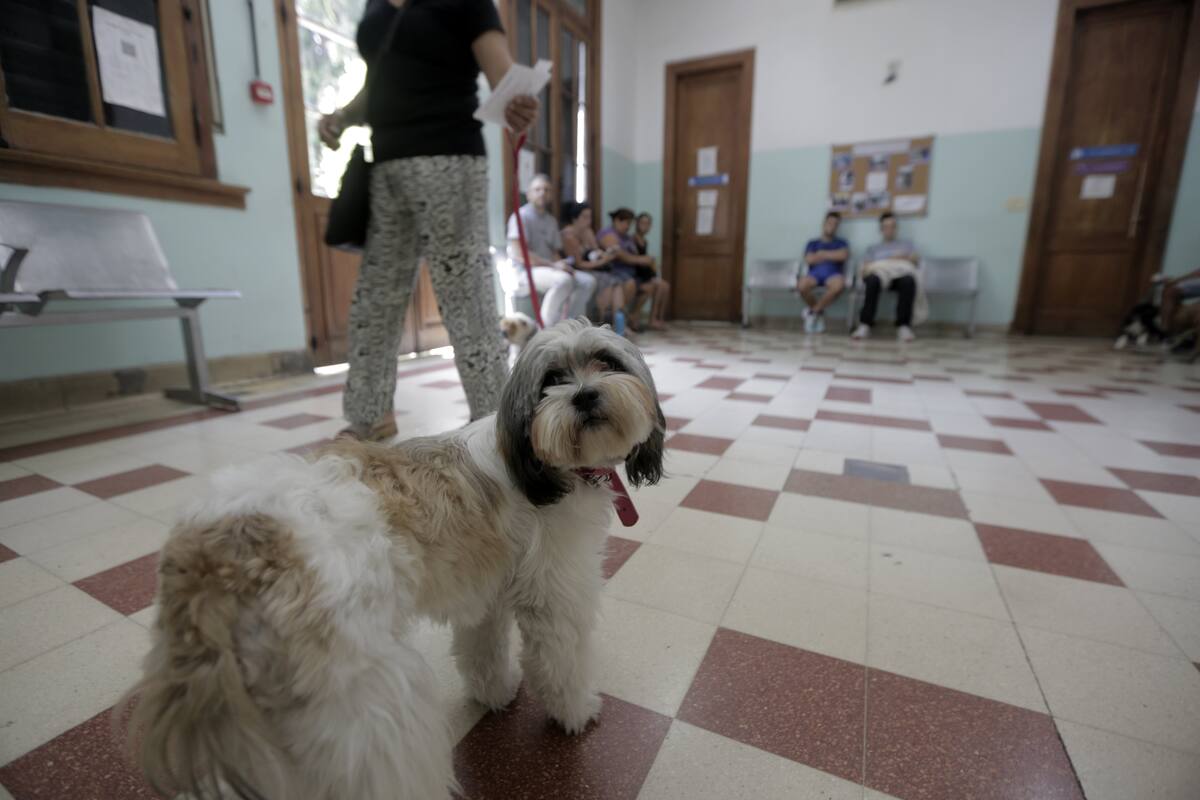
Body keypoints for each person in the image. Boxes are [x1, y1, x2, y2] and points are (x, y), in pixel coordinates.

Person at [320, 0, 538, 441]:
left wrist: (518, 103)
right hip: (386, 167)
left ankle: (495, 426)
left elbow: (504, 77)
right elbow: (384, 78)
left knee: (466, 298)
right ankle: (370, 414)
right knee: (375, 298)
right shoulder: (376, 5)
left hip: (449, 161)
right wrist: (344, 116)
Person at [507, 174, 597, 323]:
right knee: (563, 280)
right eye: (537, 189)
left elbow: (555, 252)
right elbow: (520, 254)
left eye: (547, 189)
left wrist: (564, 266)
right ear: (529, 194)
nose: (542, 192)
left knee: (587, 281)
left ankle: (570, 325)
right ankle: (546, 330)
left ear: (551, 195)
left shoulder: (551, 220)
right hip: (525, 271)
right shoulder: (520, 217)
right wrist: (553, 265)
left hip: (550, 269)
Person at [561, 202, 635, 326]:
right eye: (585, 217)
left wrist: (607, 254)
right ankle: (603, 323)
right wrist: (602, 261)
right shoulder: (569, 235)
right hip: (578, 269)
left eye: (590, 217)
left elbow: (596, 251)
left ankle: (619, 325)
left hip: (594, 267)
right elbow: (578, 264)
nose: (588, 221)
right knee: (607, 280)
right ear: (575, 218)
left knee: (615, 281)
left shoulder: (588, 232)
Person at [852, 212, 921, 342]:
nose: (889, 229)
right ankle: (865, 324)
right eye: (886, 226)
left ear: (896, 228)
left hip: (899, 276)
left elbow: (915, 261)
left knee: (909, 280)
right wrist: (885, 262)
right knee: (872, 280)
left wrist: (901, 257)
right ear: (881, 229)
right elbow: (866, 268)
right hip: (879, 275)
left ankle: (903, 326)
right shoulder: (873, 248)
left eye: (892, 226)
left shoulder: (906, 245)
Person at [598, 209, 671, 332]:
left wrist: (644, 261)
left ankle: (635, 317)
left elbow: (634, 256)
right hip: (617, 273)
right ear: (616, 221)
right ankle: (622, 319)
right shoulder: (608, 234)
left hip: (632, 273)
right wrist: (641, 259)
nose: (627, 226)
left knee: (653, 286)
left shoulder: (626, 237)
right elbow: (621, 255)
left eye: (629, 223)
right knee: (631, 283)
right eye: (625, 223)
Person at [798, 212, 848, 333]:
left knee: (838, 286)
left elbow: (843, 256)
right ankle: (818, 313)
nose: (832, 226)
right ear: (824, 223)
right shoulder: (813, 243)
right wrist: (832, 255)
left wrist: (821, 254)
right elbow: (809, 259)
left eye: (835, 224)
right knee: (802, 285)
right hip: (814, 274)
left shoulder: (841, 243)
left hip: (833, 274)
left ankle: (812, 312)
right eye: (830, 222)